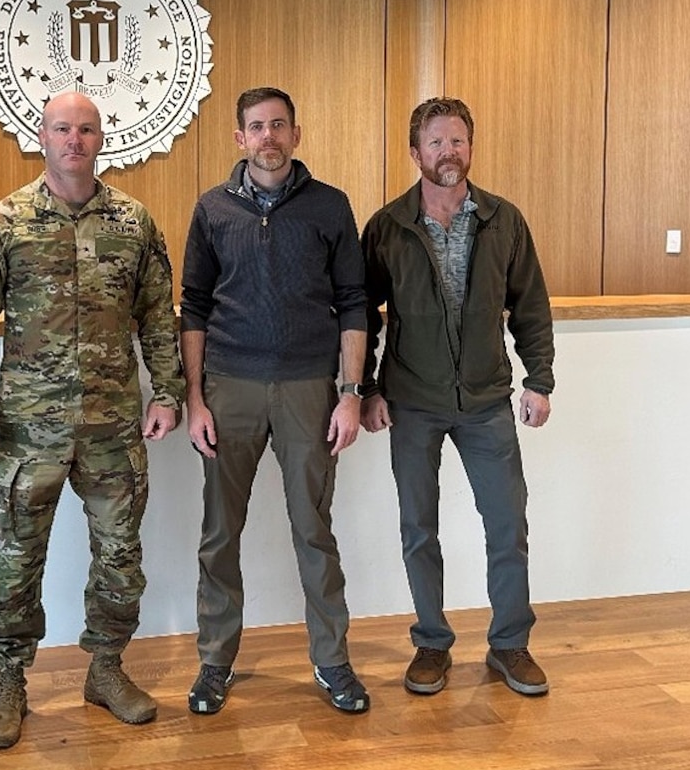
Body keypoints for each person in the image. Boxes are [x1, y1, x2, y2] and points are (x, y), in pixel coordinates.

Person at [0, 91, 183, 749]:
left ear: (102, 139)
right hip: (28, 429)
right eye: (61, 129)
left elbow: (159, 314)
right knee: (18, 559)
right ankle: (10, 681)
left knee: (121, 558)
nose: (74, 140)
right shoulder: (8, 222)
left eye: (85, 129)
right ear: (40, 136)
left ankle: (106, 669)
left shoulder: (134, 223)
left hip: (112, 427)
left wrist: (168, 393)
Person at [179, 87, 371, 716]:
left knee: (314, 529)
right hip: (228, 388)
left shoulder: (330, 207)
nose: (269, 137)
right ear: (239, 138)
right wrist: (195, 399)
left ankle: (332, 660)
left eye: (279, 126)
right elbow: (196, 308)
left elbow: (354, 304)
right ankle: (215, 662)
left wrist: (350, 393)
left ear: (296, 133)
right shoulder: (212, 210)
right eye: (256, 127)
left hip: (309, 390)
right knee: (219, 533)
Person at [360, 96, 555, 697]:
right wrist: (365, 387)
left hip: (488, 402)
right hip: (411, 401)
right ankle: (431, 644)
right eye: (437, 142)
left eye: (459, 141)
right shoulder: (387, 227)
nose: (450, 152)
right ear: (415, 152)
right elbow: (360, 315)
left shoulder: (504, 220)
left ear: (472, 147)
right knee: (419, 528)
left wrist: (539, 378)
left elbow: (530, 305)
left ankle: (510, 645)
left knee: (507, 524)